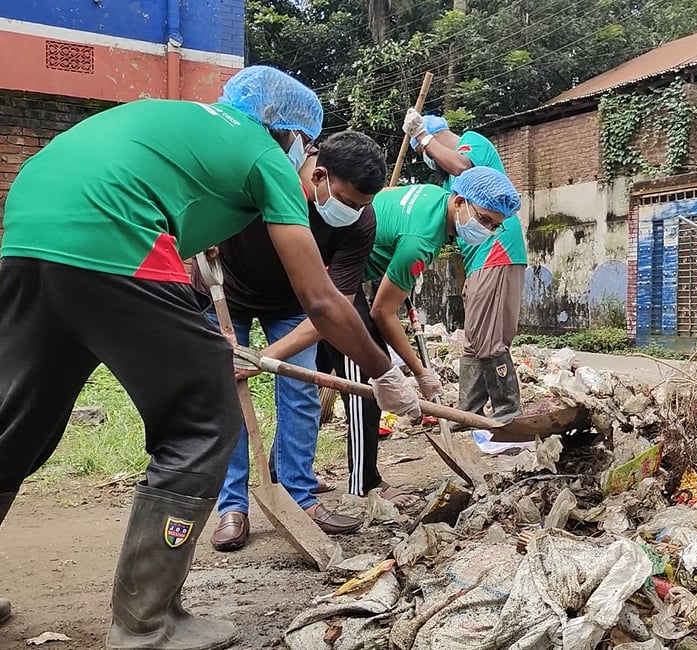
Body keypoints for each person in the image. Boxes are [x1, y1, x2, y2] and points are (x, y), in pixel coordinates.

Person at [0, 66, 418, 648]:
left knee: (17, 420)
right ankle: (147, 624)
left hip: (26, 228)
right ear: (292, 135)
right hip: (113, 234)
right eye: (304, 144)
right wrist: (384, 371)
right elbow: (320, 300)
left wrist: (191, 337)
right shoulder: (264, 155)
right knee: (203, 421)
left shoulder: (182, 118)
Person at [191, 130, 389, 553]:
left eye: (362, 206)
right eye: (348, 200)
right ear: (318, 175)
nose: (354, 212)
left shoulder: (360, 222)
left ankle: (299, 497)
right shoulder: (263, 175)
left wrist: (262, 358)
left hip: (299, 305)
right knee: (227, 393)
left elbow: (333, 308)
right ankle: (233, 506)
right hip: (227, 292)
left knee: (300, 388)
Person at [320, 165, 521, 497]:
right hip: (335, 284)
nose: (486, 230)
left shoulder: (431, 195)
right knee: (368, 379)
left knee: (305, 385)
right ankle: (365, 483)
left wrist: (388, 265)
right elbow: (382, 312)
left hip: (339, 271)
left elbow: (385, 215)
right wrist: (420, 373)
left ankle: (281, 472)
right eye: (484, 219)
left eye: (494, 226)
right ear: (459, 202)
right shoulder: (421, 240)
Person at [403, 110, 527, 422]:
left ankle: (507, 413)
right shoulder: (448, 182)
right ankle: (468, 414)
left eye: (426, 153)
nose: (428, 159)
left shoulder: (473, 143)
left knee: (490, 338)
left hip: (497, 251)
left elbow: (459, 164)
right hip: (477, 259)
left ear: (437, 137)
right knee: (473, 339)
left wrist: (422, 137)